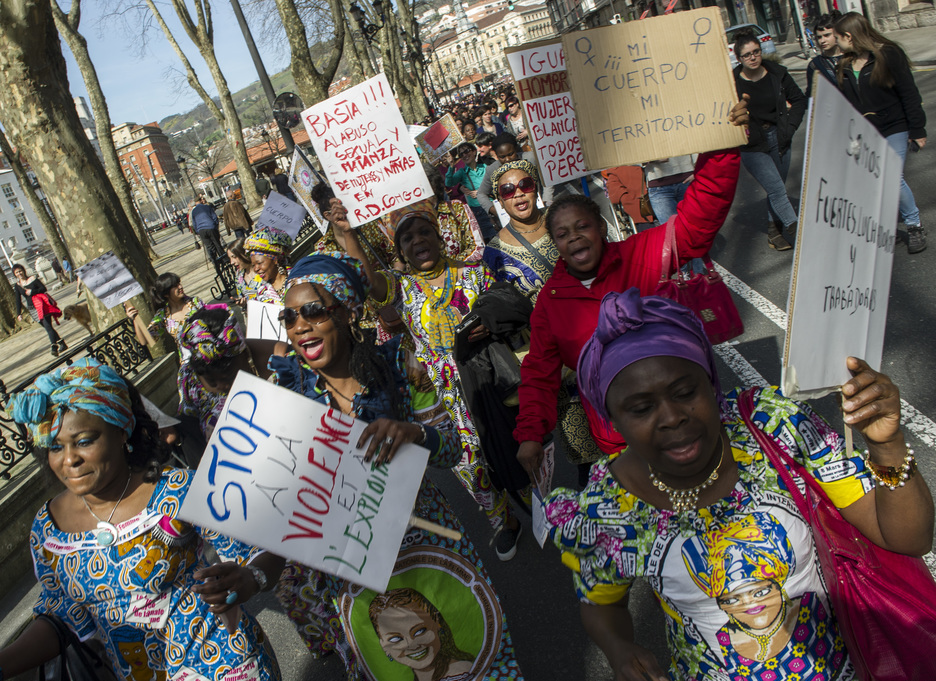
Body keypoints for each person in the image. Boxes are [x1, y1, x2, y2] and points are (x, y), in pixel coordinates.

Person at [544, 289, 934, 681]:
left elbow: (907, 539)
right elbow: (601, 605)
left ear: (710, 383)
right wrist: (619, 650)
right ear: (613, 420)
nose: (671, 417)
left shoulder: (776, 426)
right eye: (641, 408)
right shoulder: (607, 506)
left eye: (685, 392)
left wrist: (887, 446)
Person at [268, 254, 524, 678]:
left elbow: (451, 452)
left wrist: (414, 433)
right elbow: (276, 498)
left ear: (348, 311)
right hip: (351, 565)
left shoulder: (400, 370)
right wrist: (257, 577)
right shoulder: (287, 394)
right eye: (289, 316)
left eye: (313, 310)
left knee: (465, 650)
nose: (299, 325)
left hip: (427, 545)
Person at [0, 358, 283, 681]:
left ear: (122, 431)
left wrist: (251, 579)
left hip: (226, 666)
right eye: (54, 447)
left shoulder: (176, 489)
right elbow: (61, 615)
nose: (69, 460)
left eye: (84, 441)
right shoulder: (47, 528)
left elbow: (264, 548)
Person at [514, 133, 744, 478]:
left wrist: (721, 144)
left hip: (689, 419)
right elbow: (538, 375)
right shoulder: (551, 302)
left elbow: (698, 220)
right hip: (619, 440)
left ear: (601, 230)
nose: (574, 236)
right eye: (562, 234)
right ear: (557, 245)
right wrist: (530, 434)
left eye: (582, 226)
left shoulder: (641, 254)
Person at [334, 202, 525, 560]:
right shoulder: (399, 287)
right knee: (467, 463)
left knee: (514, 445)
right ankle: (503, 520)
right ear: (400, 251)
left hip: (487, 378)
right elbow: (367, 277)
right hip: (439, 393)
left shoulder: (474, 273)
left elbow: (504, 308)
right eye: (407, 237)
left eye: (424, 231)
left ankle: (543, 508)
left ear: (440, 238)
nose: (417, 240)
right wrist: (347, 232)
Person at [834, 11, 927, 254]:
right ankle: (887, 227)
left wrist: (917, 129)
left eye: (838, 38)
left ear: (849, 36)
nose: (836, 43)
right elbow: (847, 104)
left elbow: (909, 92)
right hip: (866, 132)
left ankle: (914, 225)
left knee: (891, 178)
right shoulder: (844, 64)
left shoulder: (888, 54)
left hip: (895, 126)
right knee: (874, 180)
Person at [733, 33, 806, 252]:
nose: (753, 57)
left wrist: (790, 128)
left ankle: (774, 232)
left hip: (779, 138)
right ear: (739, 58)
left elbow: (799, 100)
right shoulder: (731, 82)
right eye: (747, 55)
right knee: (776, 189)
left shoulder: (777, 74)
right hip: (752, 145)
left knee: (778, 189)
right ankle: (801, 237)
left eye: (756, 52)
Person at [482, 160, 553, 303]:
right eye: (507, 190)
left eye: (525, 185)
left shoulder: (562, 217)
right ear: (500, 202)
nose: (518, 193)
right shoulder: (494, 253)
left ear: (535, 189)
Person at [445, 143, 496, 242]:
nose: (464, 155)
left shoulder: (485, 167)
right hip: (477, 210)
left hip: (492, 205)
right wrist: (451, 166)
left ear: (474, 151)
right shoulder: (462, 172)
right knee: (490, 241)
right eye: (461, 154)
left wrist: (482, 192)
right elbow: (449, 182)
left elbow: (496, 183)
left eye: (467, 151)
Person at [12, 263, 65, 356]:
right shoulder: (17, 285)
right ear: (14, 274)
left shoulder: (33, 279)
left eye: (20, 271)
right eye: (17, 272)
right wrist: (18, 313)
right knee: (48, 327)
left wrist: (32, 292)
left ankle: (54, 347)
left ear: (23, 271)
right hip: (32, 309)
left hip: (42, 306)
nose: (19, 273)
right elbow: (17, 299)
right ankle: (62, 343)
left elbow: (43, 288)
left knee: (48, 326)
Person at [244, 226, 293, 304]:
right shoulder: (258, 291)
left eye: (259, 263)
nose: (256, 269)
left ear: (275, 259)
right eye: (253, 265)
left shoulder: (297, 279)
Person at [806, 11, 843, 98]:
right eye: (819, 37)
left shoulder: (851, 56)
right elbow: (812, 95)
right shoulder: (815, 65)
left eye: (827, 35)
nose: (822, 41)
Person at [189, 195, 225, 263]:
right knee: (217, 244)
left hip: (201, 230)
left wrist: (197, 231)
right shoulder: (207, 207)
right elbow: (214, 217)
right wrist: (216, 226)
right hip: (210, 227)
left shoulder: (194, 211)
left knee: (210, 247)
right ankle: (224, 259)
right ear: (200, 201)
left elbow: (194, 224)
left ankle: (215, 261)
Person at [226, 237, 255, 306]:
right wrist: (241, 303)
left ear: (243, 254)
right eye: (230, 258)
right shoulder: (239, 276)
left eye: (234, 257)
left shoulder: (262, 270)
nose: (231, 262)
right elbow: (241, 297)